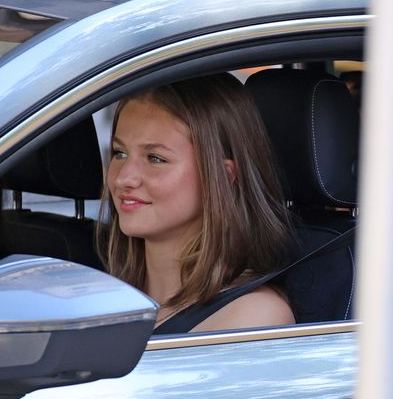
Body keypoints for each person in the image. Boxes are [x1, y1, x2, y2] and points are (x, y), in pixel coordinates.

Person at [100, 74, 295, 332]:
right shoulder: (100, 297)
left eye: (155, 158)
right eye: (119, 153)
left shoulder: (253, 317)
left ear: (223, 177)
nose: (123, 178)